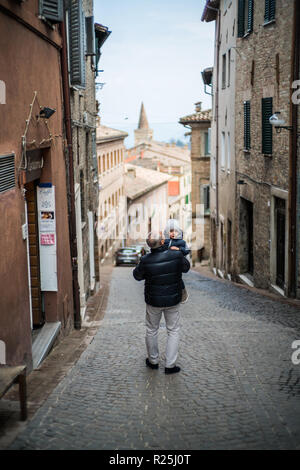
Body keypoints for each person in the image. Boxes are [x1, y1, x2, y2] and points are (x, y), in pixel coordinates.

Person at [133, 231, 190, 374]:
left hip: (153, 300)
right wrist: (179, 253)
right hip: (172, 299)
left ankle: (153, 361)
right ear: (163, 242)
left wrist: (141, 261)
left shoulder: (146, 260)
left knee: (152, 330)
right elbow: (186, 267)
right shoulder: (176, 255)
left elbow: (137, 276)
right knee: (173, 330)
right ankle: (170, 365)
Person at [163, 219, 190, 303]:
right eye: (171, 231)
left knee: (178, 278)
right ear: (167, 232)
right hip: (167, 263)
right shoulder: (165, 241)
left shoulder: (181, 242)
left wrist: (178, 249)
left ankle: (183, 292)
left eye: (175, 231)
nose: (173, 233)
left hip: (177, 263)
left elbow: (187, 250)